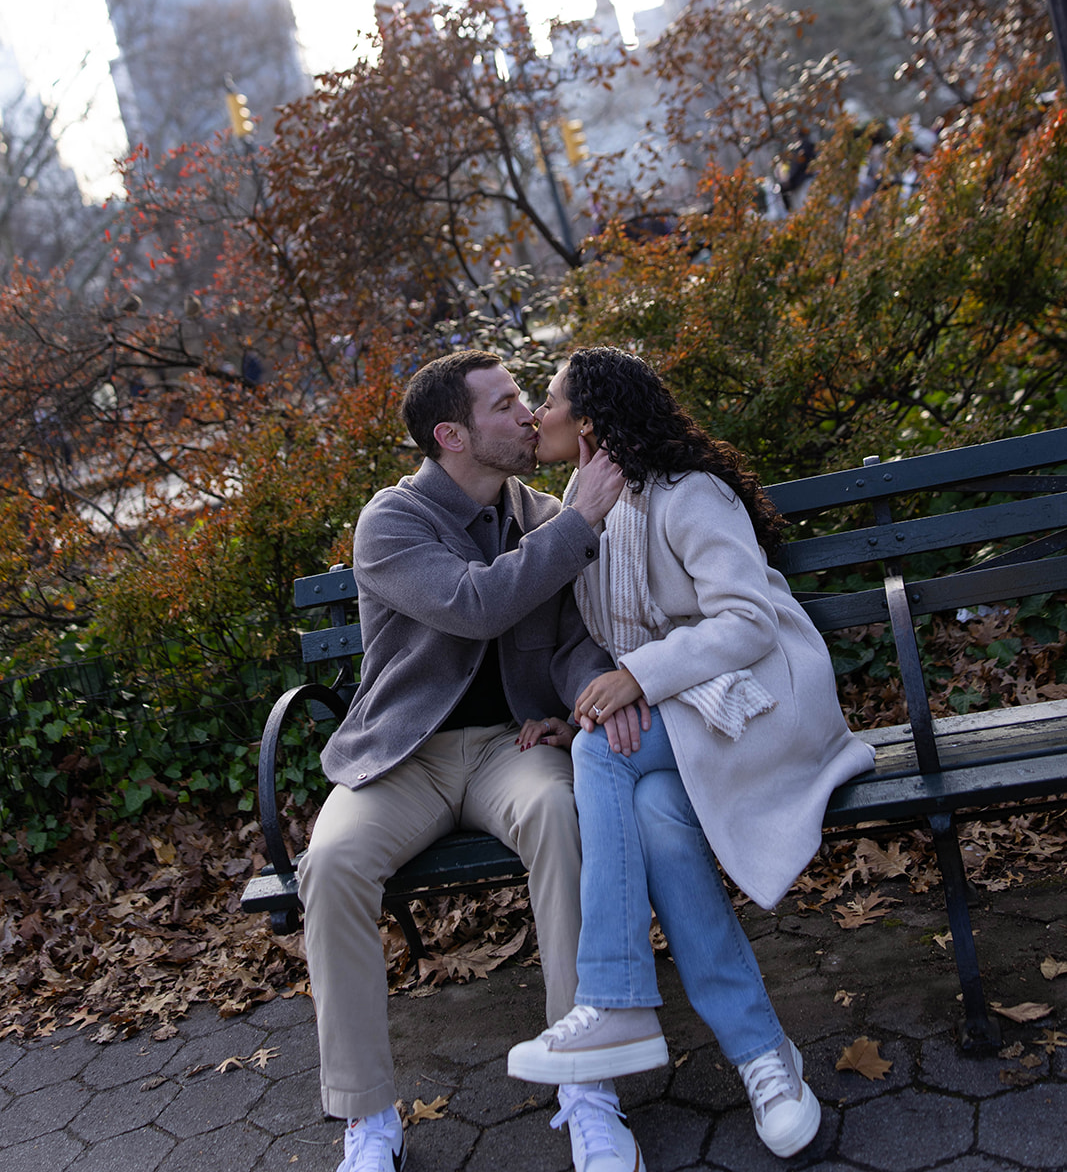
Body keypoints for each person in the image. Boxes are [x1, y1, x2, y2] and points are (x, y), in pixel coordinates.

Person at [508, 347, 876, 1160]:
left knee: (604, 756)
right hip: (685, 716)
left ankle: (614, 999)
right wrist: (606, 696)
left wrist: (635, 679)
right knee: (647, 807)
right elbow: (593, 638)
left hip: (765, 701)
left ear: (592, 419)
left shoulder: (689, 494)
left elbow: (746, 623)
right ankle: (763, 1057)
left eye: (549, 399)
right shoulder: (588, 504)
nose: (538, 414)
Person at [297, 349, 651, 1172]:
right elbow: (474, 605)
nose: (529, 414)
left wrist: (585, 701)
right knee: (332, 861)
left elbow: (567, 641)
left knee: (562, 816)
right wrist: (579, 521)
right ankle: (367, 1117)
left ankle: (587, 1087)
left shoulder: (534, 512)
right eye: (505, 404)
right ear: (451, 434)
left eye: (527, 397)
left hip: (511, 748)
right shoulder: (391, 521)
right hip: (404, 756)